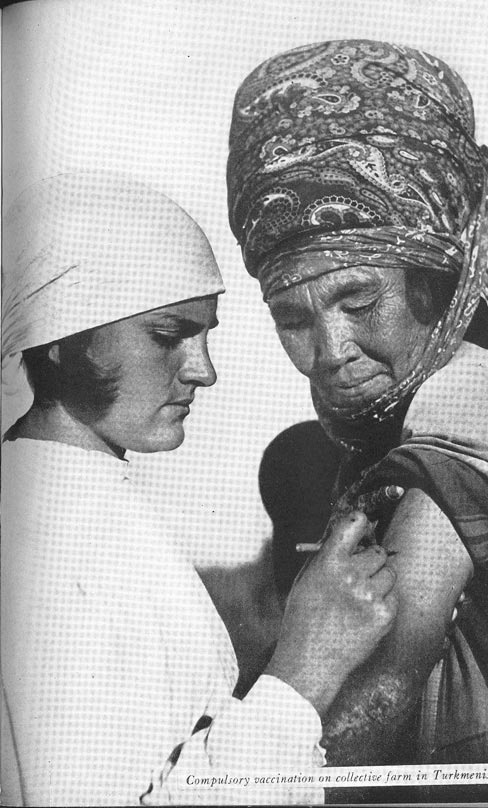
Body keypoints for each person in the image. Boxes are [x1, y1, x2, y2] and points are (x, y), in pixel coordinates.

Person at [0, 171, 398, 807]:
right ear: (58, 341)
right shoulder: (44, 546)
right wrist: (303, 671)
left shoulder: (82, 505)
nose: (203, 370)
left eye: (205, 334)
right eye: (167, 336)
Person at [227, 40, 488, 802]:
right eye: (291, 318)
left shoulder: (461, 426)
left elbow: (376, 696)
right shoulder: (450, 407)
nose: (330, 351)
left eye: (359, 302)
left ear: (433, 281)